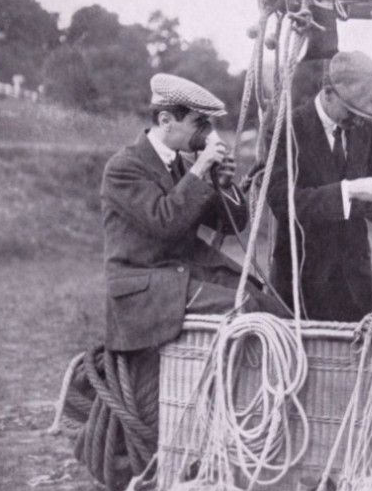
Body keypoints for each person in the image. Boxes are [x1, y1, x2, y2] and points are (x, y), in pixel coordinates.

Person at [101, 72, 279, 352]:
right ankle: (229, 387)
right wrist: (199, 170)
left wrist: (223, 183)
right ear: (165, 121)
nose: (205, 133)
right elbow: (165, 222)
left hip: (180, 274)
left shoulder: (180, 167)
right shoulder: (124, 167)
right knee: (245, 308)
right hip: (145, 286)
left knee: (268, 303)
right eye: (199, 124)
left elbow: (233, 225)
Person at [268, 51, 372, 322]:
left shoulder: (365, 130)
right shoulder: (289, 127)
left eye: (363, 114)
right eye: (352, 111)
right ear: (328, 91)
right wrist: (348, 191)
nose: (357, 120)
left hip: (355, 284)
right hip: (302, 280)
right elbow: (278, 200)